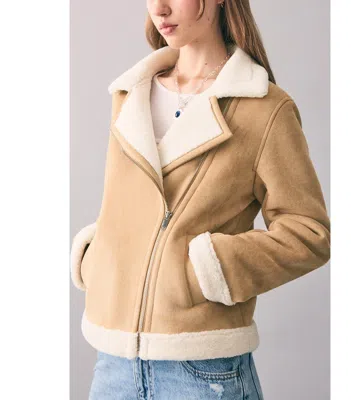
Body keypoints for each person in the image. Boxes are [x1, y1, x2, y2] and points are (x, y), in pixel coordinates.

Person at [70, 0, 331, 398]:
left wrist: (211, 267)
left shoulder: (264, 108)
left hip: (204, 372)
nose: (159, 8)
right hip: (113, 366)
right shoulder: (129, 93)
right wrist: (100, 256)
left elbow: (309, 232)